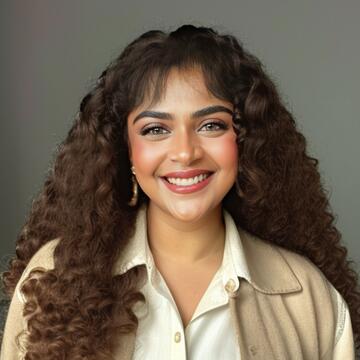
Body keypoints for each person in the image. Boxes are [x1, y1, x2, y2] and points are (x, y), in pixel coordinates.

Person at [0, 24, 359, 359]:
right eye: (156, 129)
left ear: (245, 141)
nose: (186, 152)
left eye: (211, 125)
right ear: (124, 151)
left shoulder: (309, 298)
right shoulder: (51, 279)